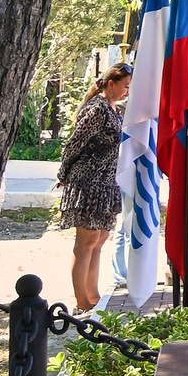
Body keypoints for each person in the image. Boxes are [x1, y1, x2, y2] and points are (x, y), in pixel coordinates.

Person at [57, 64, 129, 312]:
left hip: (106, 182)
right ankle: (81, 301)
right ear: (112, 84)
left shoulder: (112, 109)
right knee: (86, 240)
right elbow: (75, 144)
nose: (127, 92)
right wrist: (63, 172)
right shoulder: (97, 109)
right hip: (88, 181)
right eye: (125, 86)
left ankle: (93, 294)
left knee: (99, 239)